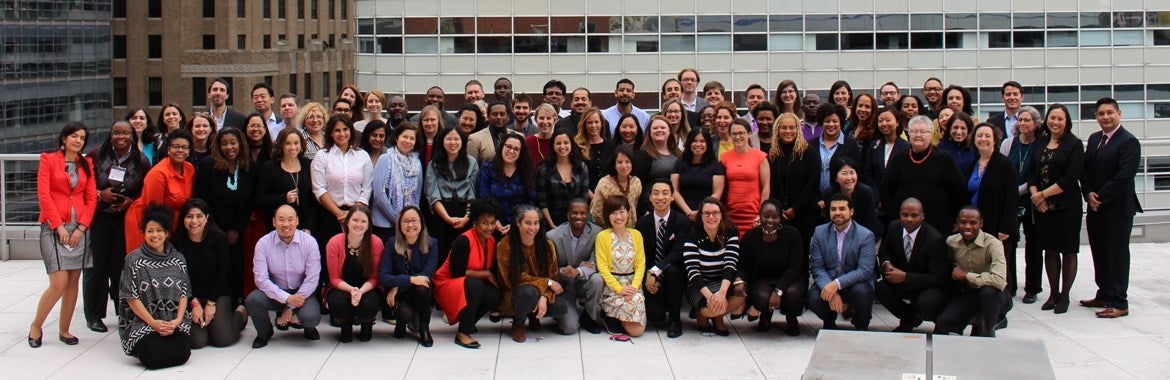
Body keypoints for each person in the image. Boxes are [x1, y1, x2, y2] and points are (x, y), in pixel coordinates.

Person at [29, 122, 97, 348]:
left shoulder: (87, 163)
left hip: (79, 230)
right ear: (64, 138)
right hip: (53, 227)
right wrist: (58, 226)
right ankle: (37, 326)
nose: (78, 141)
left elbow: (91, 199)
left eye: (82, 138)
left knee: (72, 283)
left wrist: (81, 228)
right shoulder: (48, 160)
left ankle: (64, 330)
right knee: (58, 282)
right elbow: (44, 195)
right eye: (74, 136)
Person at [83, 121, 149, 334]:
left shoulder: (141, 160)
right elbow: (83, 185)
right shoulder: (95, 155)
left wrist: (131, 201)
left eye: (125, 133)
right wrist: (99, 194)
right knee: (96, 266)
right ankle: (93, 315)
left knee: (120, 266)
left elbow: (145, 190)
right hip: (99, 217)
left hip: (124, 218)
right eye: (116, 133)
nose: (120, 136)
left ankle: (122, 311)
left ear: (132, 135)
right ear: (110, 134)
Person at [1080, 98, 1141, 319]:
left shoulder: (1129, 142)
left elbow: (1124, 176)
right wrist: (1088, 193)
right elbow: (1084, 170)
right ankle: (1104, 293)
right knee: (1100, 252)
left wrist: (1100, 197)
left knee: (1116, 254)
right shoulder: (1095, 138)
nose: (1105, 117)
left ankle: (1119, 301)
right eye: (1100, 114)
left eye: (1109, 113)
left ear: (1119, 114)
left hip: (1117, 209)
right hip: (1095, 207)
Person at [118, 204, 192, 369]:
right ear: (143, 233)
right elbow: (131, 298)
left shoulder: (178, 259)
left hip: (172, 321)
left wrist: (178, 320)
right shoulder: (134, 261)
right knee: (152, 357)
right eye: (150, 230)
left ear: (167, 233)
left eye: (159, 230)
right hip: (144, 321)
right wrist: (153, 323)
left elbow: (184, 294)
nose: (155, 235)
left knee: (184, 352)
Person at [1027, 104, 1084, 313]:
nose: (1055, 122)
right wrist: (1036, 196)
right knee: (1049, 250)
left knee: (1068, 250)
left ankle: (1065, 295)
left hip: (1067, 206)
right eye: (1052, 117)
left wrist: (1042, 195)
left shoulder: (1074, 144)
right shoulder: (1040, 142)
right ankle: (1053, 293)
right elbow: (1031, 172)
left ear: (1066, 121)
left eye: (1060, 119)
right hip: (1043, 208)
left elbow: (1071, 177)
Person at [171, 199, 247, 348]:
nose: (194, 221)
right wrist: (193, 303)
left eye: (199, 216)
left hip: (216, 293)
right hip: (190, 296)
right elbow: (178, 278)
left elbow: (223, 272)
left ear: (206, 218)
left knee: (223, 339)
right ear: (183, 219)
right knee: (198, 342)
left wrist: (211, 303)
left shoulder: (219, 238)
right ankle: (209, 324)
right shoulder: (176, 242)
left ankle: (241, 312)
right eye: (189, 216)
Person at [194, 127, 258, 303]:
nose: (229, 147)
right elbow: (202, 198)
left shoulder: (249, 166)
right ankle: (215, 302)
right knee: (216, 267)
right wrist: (216, 230)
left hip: (238, 231)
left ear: (241, 144)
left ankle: (237, 304)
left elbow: (250, 201)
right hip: (213, 230)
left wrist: (237, 229)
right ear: (217, 146)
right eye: (224, 143)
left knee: (236, 268)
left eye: (233, 142)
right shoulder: (208, 165)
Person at [246, 205, 323, 349]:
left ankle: (309, 329)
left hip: (302, 293)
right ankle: (264, 332)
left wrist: (290, 307)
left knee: (311, 317)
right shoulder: (263, 243)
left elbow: (312, 279)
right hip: (275, 292)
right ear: (274, 222)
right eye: (281, 220)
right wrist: (286, 298)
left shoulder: (309, 242)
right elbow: (260, 279)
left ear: (297, 221)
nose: (286, 224)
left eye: (290, 220)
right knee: (253, 300)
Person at [433, 199, 503, 349]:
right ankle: (462, 333)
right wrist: (485, 274)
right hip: (446, 284)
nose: (489, 227)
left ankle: (469, 323)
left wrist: (488, 275)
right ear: (475, 222)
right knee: (475, 285)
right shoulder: (463, 241)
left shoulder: (492, 240)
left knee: (494, 295)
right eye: (485, 223)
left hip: (466, 284)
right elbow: (456, 272)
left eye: (492, 222)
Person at [875, 198, 951, 333]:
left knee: (927, 303)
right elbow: (884, 251)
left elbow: (938, 278)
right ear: (899, 215)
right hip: (901, 281)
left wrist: (905, 277)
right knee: (880, 288)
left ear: (922, 216)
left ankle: (940, 323)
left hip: (926, 285)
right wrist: (886, 264)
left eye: (914, 215)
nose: (909, 219)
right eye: (905, 215)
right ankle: (909, 318)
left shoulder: (935, 240)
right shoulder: (894, 227)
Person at [496, 205, 569, 342]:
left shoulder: (547, 245)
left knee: (561, 306)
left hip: (539, 292)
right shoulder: (504, 245)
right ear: (518, 223)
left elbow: (553, 275)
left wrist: (544, 297)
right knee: (529, 292)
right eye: (528, 223)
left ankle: (533, 316)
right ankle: (518, 323)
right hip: (515, 293)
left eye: (536, 223)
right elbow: (511, 279)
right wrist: (547, 282)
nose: (532, 228)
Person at [882, 116, 966, 235]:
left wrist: (955, 219)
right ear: (909, 134)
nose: (918, 135)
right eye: (914, 131)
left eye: (923, 131)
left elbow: (958, 190)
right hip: (905, 225)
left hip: (938, 224)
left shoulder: (943, 158)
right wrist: (893, 218)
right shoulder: (898, 159)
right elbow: (887, 190)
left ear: (931, 134)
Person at [935, 206, 1011, 337]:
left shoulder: (993, 244)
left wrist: (966, 275)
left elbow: (999, 281)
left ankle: (989, 328)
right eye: (963, 222)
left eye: (973, 223)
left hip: (996, 296)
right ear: (957, 223)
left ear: (981, 223)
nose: (968, 227)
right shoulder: (951, 242)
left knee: (988, 292)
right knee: (943, 322)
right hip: (970, 293)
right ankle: (977, 320)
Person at [807, 194, 876, 331]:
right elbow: (816, 267)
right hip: (828, 280)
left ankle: (861, 324)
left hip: (854, 283)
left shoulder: (865, 235)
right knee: (814, 298)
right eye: (833, 209)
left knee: (862, 292)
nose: (837, 212)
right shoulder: (820, 232)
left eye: (842, 209)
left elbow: (865, 270)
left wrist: (836, 284)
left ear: (851, 211)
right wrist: (830, 289)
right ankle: (829, 321)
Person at [312, 115, 374, 269]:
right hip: (330, 213)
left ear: (351, 131)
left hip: (357, 213)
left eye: (345, 129)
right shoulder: (322, 156)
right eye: (337, 130)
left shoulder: (362, 155)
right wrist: (339, 213)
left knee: (357, 255)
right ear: (331, 133)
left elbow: (367, 187)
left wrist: (354, 212)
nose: (342, 134)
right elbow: (319, 188)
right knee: (330, 255)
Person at [738, 199, 804, 335]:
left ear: (780, 218)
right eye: (766, 216)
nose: (769, 220)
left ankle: (791, 318)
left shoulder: (792, 234)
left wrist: (778, 291)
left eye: (774, 217)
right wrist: (739, 280)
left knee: (793, 294)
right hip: (763, 279)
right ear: (759, 216)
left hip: (790, 279)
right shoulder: (750, 237)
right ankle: (765, 316)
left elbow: (795, 267)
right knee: (762, 297)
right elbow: (742, 265)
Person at [968, 123, 1019, 298]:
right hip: (976, 226)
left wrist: (1005, 228)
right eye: (979, 135)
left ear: (995, 140)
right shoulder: (973, 162)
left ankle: (1002, 305)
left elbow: (1012, 198)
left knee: (999, 268)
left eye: (987, 136)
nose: (983, 139)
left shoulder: (1004, 164)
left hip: (998, 226)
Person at [124, 130, 196, 254]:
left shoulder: (189, 169)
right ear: (168, 149)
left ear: (189, 151)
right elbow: (154, 209)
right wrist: (163, 234)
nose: (180, 150)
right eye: (176, 146)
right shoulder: (158, 174)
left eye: (184, 147)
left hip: (174, 223)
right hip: (148, 222)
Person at [635, 180, 691, 338]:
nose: (660, 197)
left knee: (673, 271)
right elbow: (641, 255)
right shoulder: (642, 223)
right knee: (655, 317)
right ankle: (660, 306)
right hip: (651, 278)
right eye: (656, 193)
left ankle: (675, 320)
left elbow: (679, 251)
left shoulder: (682, 221)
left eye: (665, 193)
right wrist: (648, 274)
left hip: (674, 274)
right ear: (650, 198)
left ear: (673, 197)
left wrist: (654, 271)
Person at [682, 197, 745, 336]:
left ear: (722, 215)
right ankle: (701, 314)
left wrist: (721, 293)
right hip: (699, 286)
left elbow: (731, 265)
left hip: (722, 282)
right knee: (708, 306)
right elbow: (693, 272)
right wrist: (710, 297)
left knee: (741, 293)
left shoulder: (731, 233)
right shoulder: (692, 236)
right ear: (701, 216)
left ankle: (718, 318)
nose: (711, 217)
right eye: (707, 213)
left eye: (715, 212)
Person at [1001, 105, 1044, 304]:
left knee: (1033, 245)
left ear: (1036, 124)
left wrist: (1018, 189)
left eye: (1028, 120)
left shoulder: (1042, 145)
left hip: (1032, 200)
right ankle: (1009, 285)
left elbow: (1038, 175)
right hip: (1010, 202)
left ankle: (1033, 288)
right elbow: (1001, 168)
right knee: (1008, 243)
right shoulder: (1009, 144)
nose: (1023, 123)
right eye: (1021, 120)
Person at [379, 206, 439, 346]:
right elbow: (383, 276)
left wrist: (398, 285)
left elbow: (427, 275)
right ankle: (401, 323)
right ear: (399, 224)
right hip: (398, 296)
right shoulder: (391, 243)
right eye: (405, 221)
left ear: (421, 223)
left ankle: (424, 328)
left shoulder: (432, 243)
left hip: (419, 294)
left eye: (414, 220)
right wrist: (408, 281)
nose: (410, 225)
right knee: (405, 312)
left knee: (422, 287)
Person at [324, 205, 384, 343]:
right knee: (338, 303)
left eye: (363, 221)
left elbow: (375, 278)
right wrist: (352, 290)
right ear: (347, 222)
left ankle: (367, 324)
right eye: (355, 220)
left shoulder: (376, 242)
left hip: (367, 287)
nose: (359, 224)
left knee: (369, 304)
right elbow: (333, 278)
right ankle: (346, 325)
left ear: (369, 225)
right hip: (342, 286)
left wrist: (360, 291)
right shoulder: (334, 242)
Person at [548, 198, 605, 334]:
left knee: (597, 279)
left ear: (588, 214)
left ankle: (589, 316)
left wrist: (578, 270)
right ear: (568, 215)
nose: (579, 216)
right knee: (570, 328)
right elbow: (549, 267)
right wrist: (565, 271)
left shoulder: (597, 233)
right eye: (574, 213)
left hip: (581, 281)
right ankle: (561, 313)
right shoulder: (552, 236)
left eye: (583, 213)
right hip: (563, 286)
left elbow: (595, 261)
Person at [769, 112, 821, 255]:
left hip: (804, 213)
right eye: (784, 128)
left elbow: (812, 183)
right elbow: (771, 185)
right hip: (780, 215)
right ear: (777, 129)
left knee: (802, 253)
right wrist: (780, 209)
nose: (788, 131)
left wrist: (796, 208)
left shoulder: (809, 152)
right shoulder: (773, 154)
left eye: (792, 127)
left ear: (798, 129)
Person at [595, 195, 647, 337]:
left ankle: (617, 318)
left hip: (633, 286)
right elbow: (602, 267)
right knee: (635, 331)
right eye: (613, 212)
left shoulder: (636, 234)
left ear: (628, 212)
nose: (618, 216)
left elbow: (641, 264)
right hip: (613, 288)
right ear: (607, 216)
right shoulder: (603, 236)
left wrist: (634, 287)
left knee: (638, 331)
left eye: (622, 211)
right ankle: (610, 315)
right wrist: (619, 289)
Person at [426, 126, 479, 264]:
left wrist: (466, 218)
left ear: (462, 141)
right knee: (441, 256)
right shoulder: (434, 164)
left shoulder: (471, 162)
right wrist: (447, 218)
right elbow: (433, 195)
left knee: (463, 256)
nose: (453, 142)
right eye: (448, 139)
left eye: (456, 139)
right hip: (442, 214)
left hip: (465, 214)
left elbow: (473, 194)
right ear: (442, 141)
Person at [255, 128, 318, 232]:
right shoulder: (270, 168)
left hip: (304, 227)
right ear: (281, 145)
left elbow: (313, 200)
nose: (293, 147)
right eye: (288, 143)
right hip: (279, 227)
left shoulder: (308, 164)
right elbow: (260, 199)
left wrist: (309, 226)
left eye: (296, 143)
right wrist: (284, 198)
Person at [372, 122, 424, 240]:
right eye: (405, 136)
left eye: (412, 138)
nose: (408, 141)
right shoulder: (385, 158)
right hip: (384, 223)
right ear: (396, 138)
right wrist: (397, 220)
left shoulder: (417, 163)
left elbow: (417, 195)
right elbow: (379, 195)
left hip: (408, 226)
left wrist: (407, 221)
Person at [477, 134, 536, 234]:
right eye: (508, 146)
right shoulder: (487, 168)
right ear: (501, 147)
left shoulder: (527, 171)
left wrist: (517, 223)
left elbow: (532, 200)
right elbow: (483, 198)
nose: (511, 151)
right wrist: (495, 222)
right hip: (491, 225)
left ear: (521, 153)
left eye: (516, 149)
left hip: (521, 225)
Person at [720, 119, 770, 234]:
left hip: (753, 215)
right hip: (730, 215)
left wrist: (761, 213)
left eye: (741, 133)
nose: (737, 137)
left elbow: (766, 187)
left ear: (749, 133)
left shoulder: (760, 157)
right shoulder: (724, 158)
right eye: (734, 134)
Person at [536, 129, 591, 229]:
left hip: (578, 221)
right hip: (552, 223)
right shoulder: (544, 169)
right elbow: (542, 202)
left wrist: (581, 222)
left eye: (566, 142)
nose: (562, 146)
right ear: (553, 145)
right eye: (558, 143)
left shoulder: (581, 167)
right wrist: (552, 225)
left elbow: (584, 197)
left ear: (571, 144)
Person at [632, 115, 681, 217]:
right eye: (655, 128)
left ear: (670, 131)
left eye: (663, 128)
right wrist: (644, 210)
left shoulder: (678, 154)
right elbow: (638, 185)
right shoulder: (644, 155)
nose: (659, 130)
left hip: (674, 210)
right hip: (651, 210)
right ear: (650, 133)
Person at [825, 157, 883, 243]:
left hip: (866, 234)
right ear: (836, 178)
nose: (849, 178)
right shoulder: (829, 193)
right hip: (839, 234)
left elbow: (870, 222)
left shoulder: (866, 192)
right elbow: (830, 220)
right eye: (844, 173)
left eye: (852, 173)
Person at [672, 128, 725, 219]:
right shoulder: (680, 163)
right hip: (681, 214)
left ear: (708, 143)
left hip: (707, 215)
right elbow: (674, 191)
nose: (698, 144)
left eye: (702, 141)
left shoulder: (716, 166)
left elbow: (716, 194)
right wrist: (688, 212)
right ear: (689, 143)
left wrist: (701, 212)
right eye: (694, 141)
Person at [813, 103, 861, 197]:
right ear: (821, 123)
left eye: (835, 121)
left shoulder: (851, 145)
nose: (831, 124)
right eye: (827, 121)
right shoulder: (811, 145)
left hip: (841, 200)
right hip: (815, 201)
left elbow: (857, 173)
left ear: (841, 123)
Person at [591, 146, 642, 227]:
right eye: (619, 162)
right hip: (609, 231)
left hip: (631, 231)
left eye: (627, 162)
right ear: (614, 165)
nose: (624, 166)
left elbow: (634, 207)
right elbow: (596, 213)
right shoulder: (604, 184)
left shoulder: (636, 182)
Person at [865, 108, 909, 199]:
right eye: (880, 121)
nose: (884, 124)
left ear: (897, 122)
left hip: (899, 199)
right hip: (877, 200)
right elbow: (867, 174)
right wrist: (876, 197)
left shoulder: (906, 147)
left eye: (888, 120)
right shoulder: (874, 145)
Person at [575, 107, 615, 191]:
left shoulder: (611, 146)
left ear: (601, 123)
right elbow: (578, 176)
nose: (593, 125)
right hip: (585, 195)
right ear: (584, 124)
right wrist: (594, 198)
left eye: (596, 122)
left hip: (608, 194)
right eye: (589, 122)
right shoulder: (578, 146)